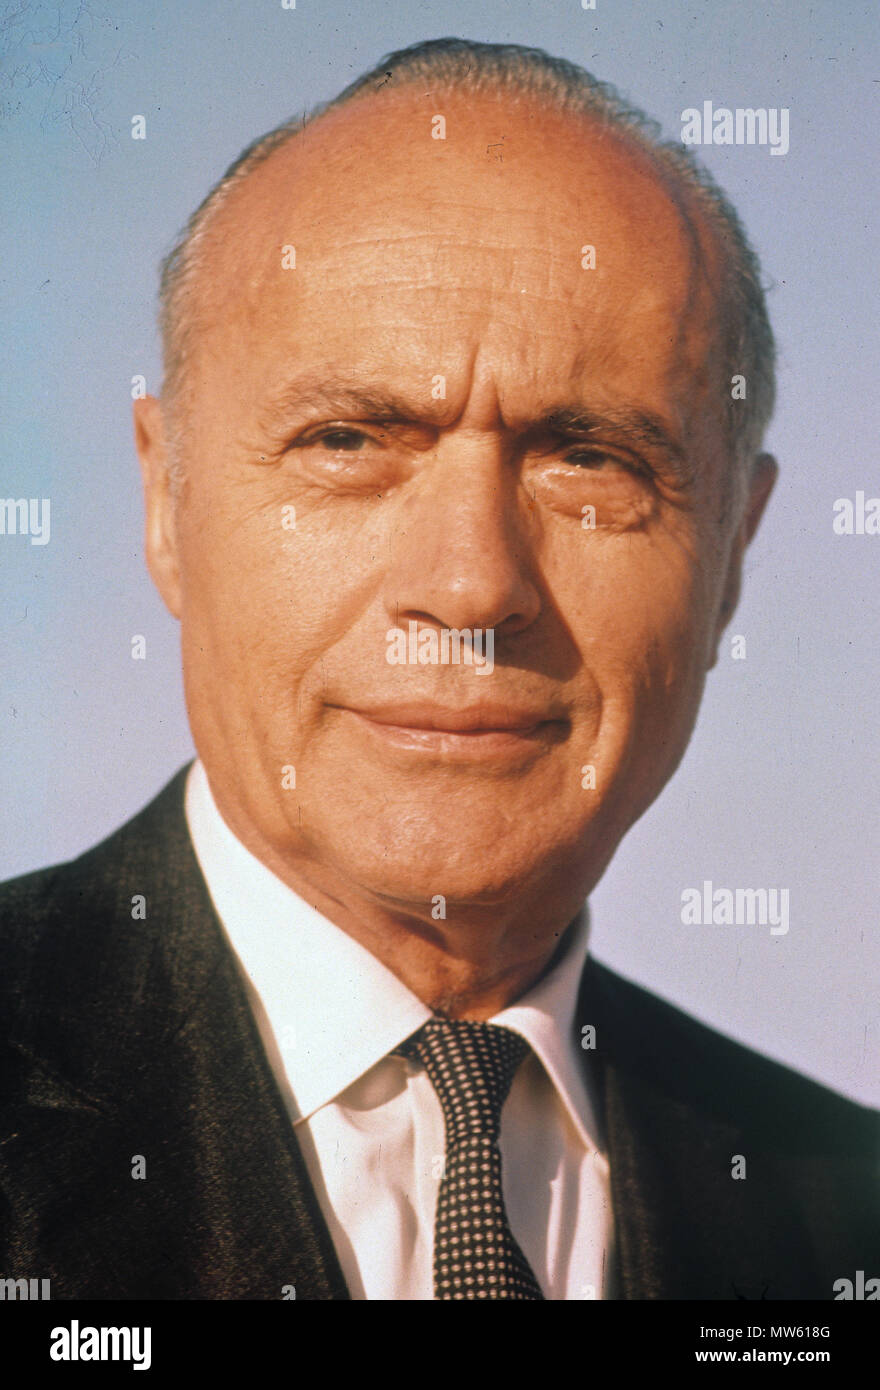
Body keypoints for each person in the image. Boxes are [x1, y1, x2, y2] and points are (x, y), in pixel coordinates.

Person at [1, 38, 875, 1302]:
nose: (470, 587)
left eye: (589, 459)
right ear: (167, 504)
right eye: (348, 440)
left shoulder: (844, 1214)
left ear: (733, 548)